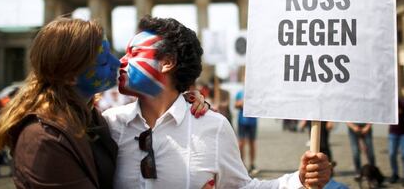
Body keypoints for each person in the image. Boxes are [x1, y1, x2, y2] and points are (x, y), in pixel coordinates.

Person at [104, 15, 331, 188]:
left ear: (167, 62)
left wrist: (299, 179)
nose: (120, 61)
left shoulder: (213, 127)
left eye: (134, 54)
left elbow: (243, 187)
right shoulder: (109, 125)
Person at [0, 17, 208, 189]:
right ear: (70, 76)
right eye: (104, 60)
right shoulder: (43, 138)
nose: (119, 62)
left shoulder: (91, 118)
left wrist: (180, 99)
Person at [235, 88, 258, 174]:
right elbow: (235, 105)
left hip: (253, 121)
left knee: (252, 143)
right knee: (241, 143)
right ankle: (242, 164)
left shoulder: (255, 93)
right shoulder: (240, 92)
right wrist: (241, 103)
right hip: (242, 121)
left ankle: (252, 164)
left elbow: (259, 105)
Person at [388, 97, 404, 183]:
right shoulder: (392, 100)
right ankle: (395, 173)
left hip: (403, 132)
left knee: (403, 155)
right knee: (391, 154)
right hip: (393, 132)